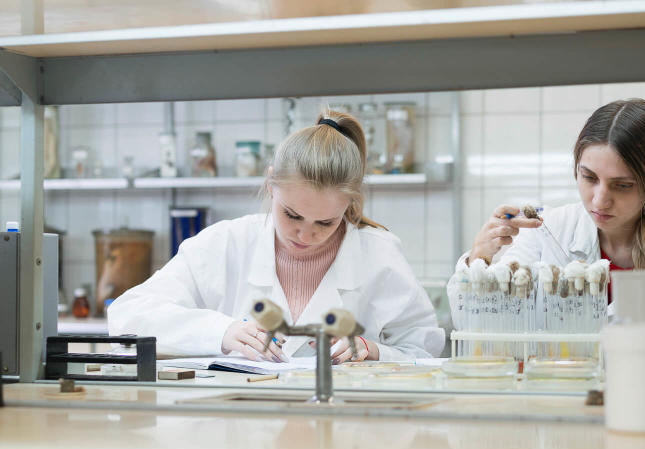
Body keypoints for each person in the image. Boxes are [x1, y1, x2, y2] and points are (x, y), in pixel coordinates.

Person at [109, 112, 444, 364]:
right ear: (271, 186)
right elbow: (127, 317)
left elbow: (424, 352)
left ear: (349, 204)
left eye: (325, 222)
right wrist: (221, 333)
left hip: (343, 436)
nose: (305, 234)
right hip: (239, 439)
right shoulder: (226, 243)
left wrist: (374, 351)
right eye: (292, 215)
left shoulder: (379, 255)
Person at [447, 98, 645, 320]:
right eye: (589, 177)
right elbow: (476, 321)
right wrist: (479, 257)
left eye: (622, 185)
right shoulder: (548, 232)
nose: (599, 201)